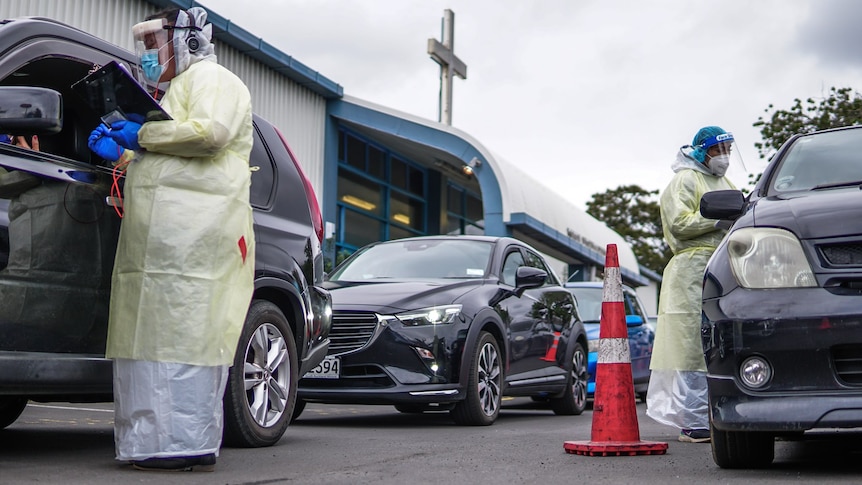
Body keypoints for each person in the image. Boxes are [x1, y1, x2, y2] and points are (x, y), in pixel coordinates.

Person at [87, 6, 255, 472]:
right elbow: (165, 159)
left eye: (152, 44)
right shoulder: (170, 93)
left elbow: (211, 133)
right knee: (151, 342)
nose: (146, 56)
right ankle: (151, 444)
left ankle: (183, 443)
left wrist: (143, 134)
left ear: (189, 40)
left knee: (187, 339)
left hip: (195, 242)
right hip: (160, 246)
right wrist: (122, 152)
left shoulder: (214, 80)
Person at [645, 126, 737, 444]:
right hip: (691, 269)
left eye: (727, 149)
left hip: (723, 265)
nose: (724, 156)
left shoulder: (725, 182)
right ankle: (695, 421)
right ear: (702, 151)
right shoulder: (685, 179)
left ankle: (724, 414)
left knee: (720, 341)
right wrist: (714, 221)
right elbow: (678, 223)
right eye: (718, 149)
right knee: (691, 345)